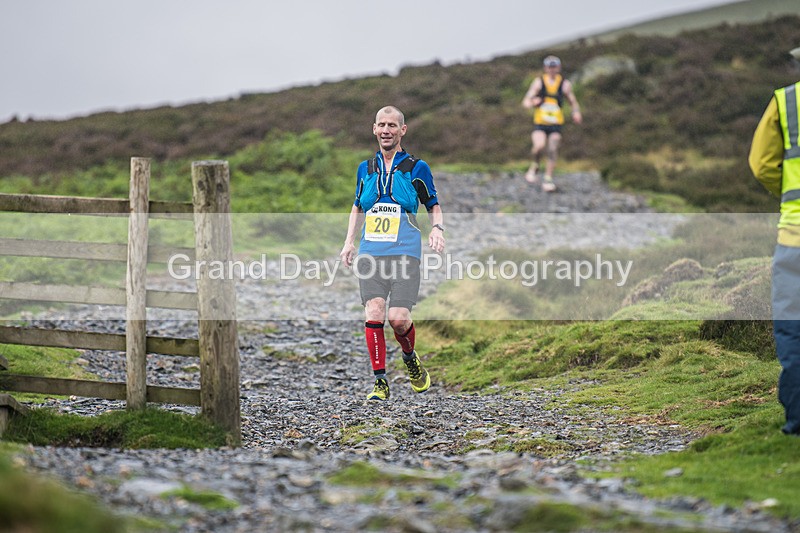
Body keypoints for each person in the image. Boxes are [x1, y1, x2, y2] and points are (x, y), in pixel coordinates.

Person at [339, 105, 445, 401]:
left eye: (392, 125)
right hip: (371, 252)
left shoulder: (417, 167)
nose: (386, 130)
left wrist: (437, 229)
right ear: (374, 129)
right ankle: (380, 381)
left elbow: (433, 203)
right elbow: (358, 206)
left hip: (405, 253)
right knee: (374, 310)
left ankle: (410, 358)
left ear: (402, 130)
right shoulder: (365, 168)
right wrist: (349, 242)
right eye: (381, 125)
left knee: (398, 319)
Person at [749, 46, 800, 435]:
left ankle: (797, 420)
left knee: (792, 329)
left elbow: (762, 164)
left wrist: (786, 193)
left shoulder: (785, 101)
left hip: (794, 237)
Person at [521, 55, 583, 192]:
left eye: (554, 66)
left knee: (553, 148)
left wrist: (576, 113)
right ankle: (535, 165)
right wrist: (533, 102)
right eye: (550, 67)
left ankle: (548, 178)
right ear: (545, 68)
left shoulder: (565, 85)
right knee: (539, 146)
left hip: (556, 123)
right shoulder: (538, 83)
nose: (552, 69)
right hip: (540, 122)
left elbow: (573, 102)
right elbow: (525, 101)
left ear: (559, 68)